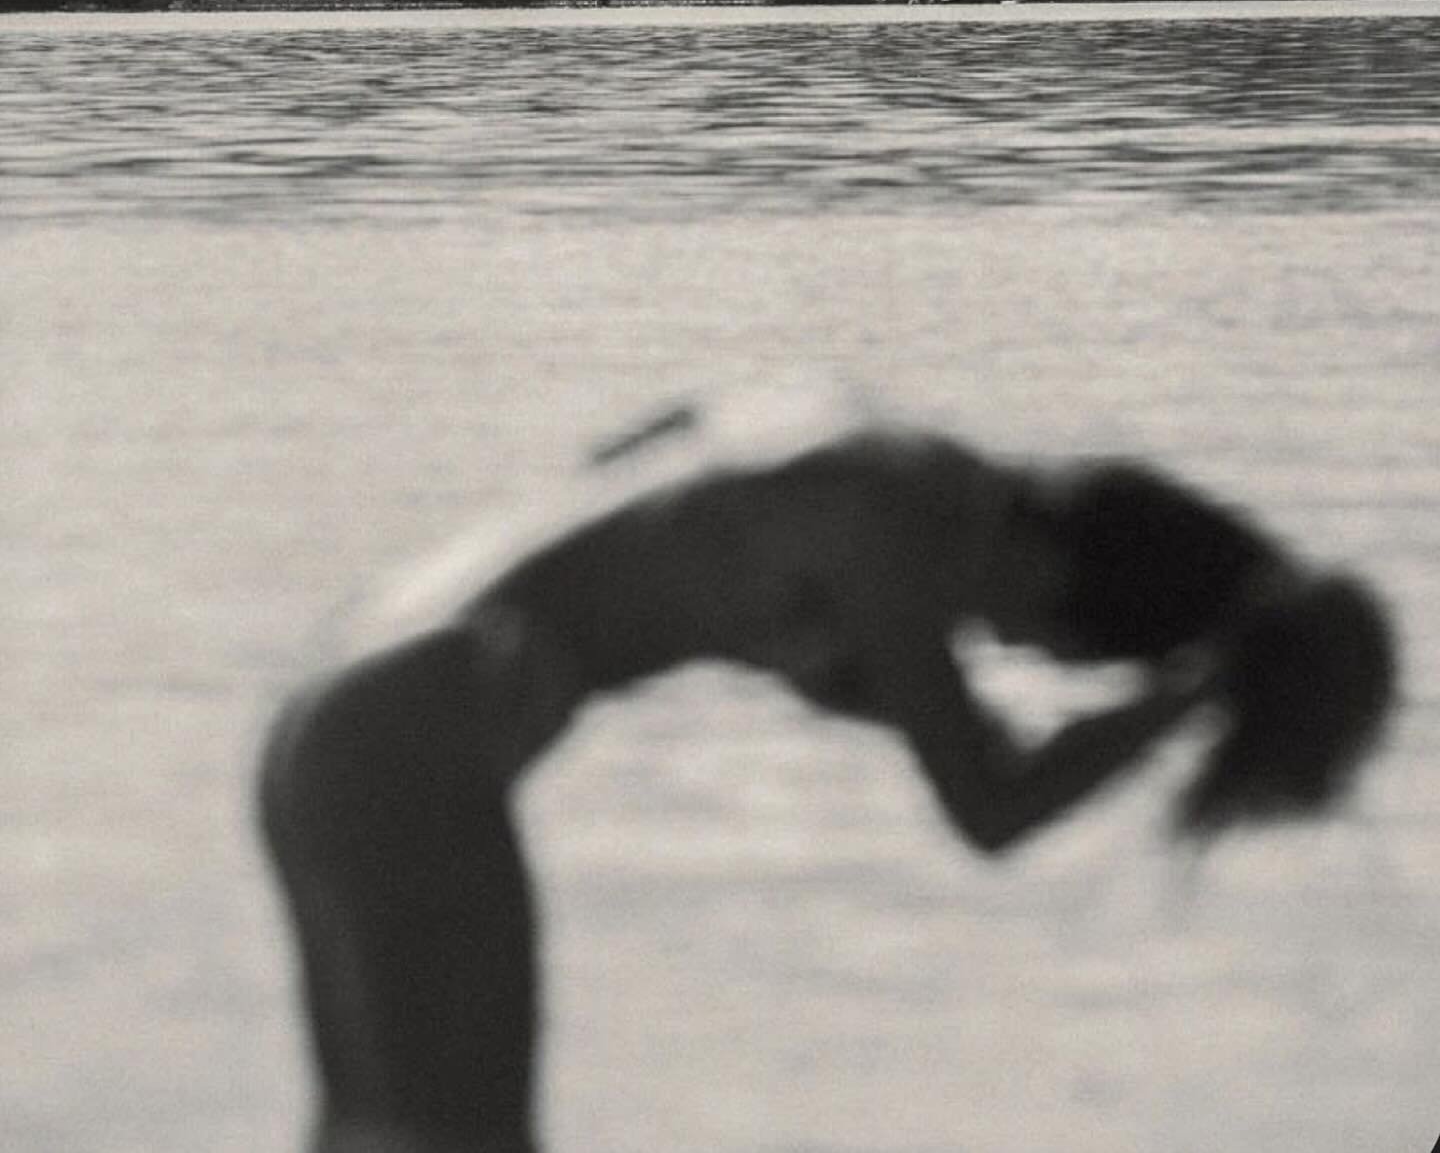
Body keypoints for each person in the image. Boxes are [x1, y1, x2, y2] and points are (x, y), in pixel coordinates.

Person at [257, 386, 1395, 1153]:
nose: (999, 645)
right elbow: (991, 809)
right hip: (418, 731)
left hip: (337, 697)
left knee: (370, 1131)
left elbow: (628, 477)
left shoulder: (838, 432)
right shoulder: (896, 535)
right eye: (1049, 642)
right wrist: (1183, 697)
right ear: (1057, 572)